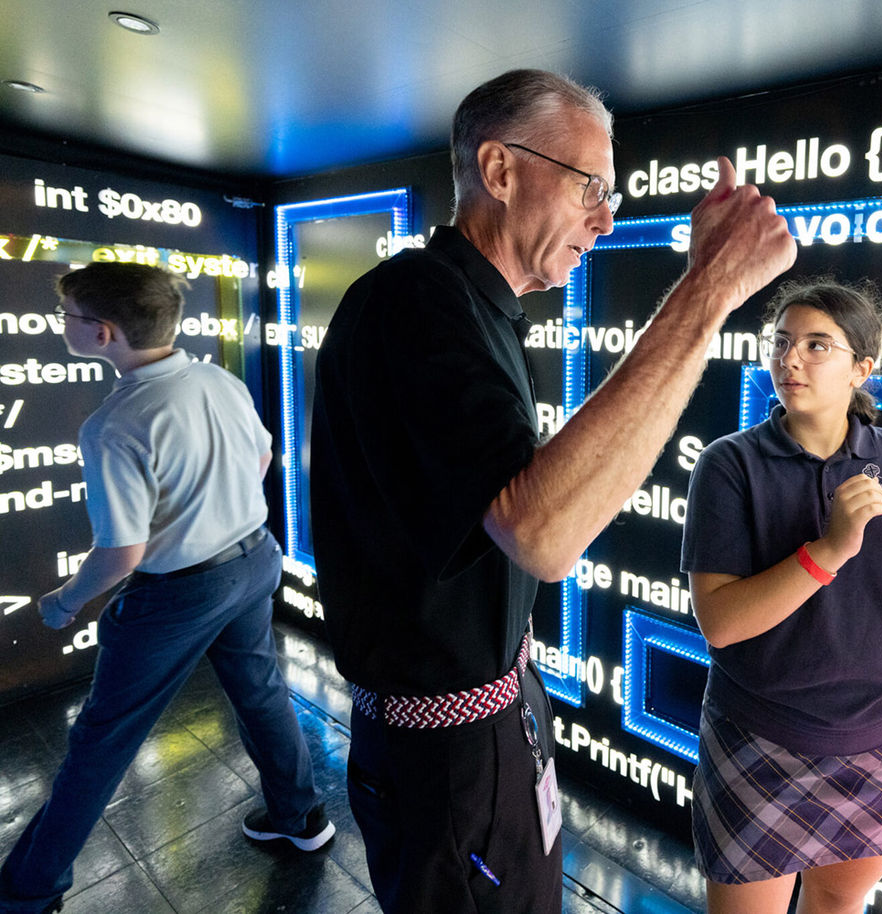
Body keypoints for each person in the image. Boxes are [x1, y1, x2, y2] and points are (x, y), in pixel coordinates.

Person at [309, 67, 796, 914]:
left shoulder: (479, 309)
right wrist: (709, 287)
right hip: (446, 754)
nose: (605, 219)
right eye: (589, 189)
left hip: (493, 718)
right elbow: (543, 531)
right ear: (499, 171)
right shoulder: (414, 301)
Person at [0, 263, 333, 914]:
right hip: (254, 559)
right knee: (261, 694)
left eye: (67, 316)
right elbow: (262, 459)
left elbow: (121, 553)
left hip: (181, 594)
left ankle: (26, 891)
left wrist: (66, 602)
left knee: (103, 740)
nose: (61, 325)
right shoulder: (216, 378)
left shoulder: (113, 424)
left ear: (102, 334)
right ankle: (302, 818)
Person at [680, 279, 882, 914]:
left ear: (862, 368)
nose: (790, 360)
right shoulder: (729, 464)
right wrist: (831, 549)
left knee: (836, 907)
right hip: (762, 736)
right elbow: (722, 623)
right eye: (782, 342)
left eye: (817, 345)